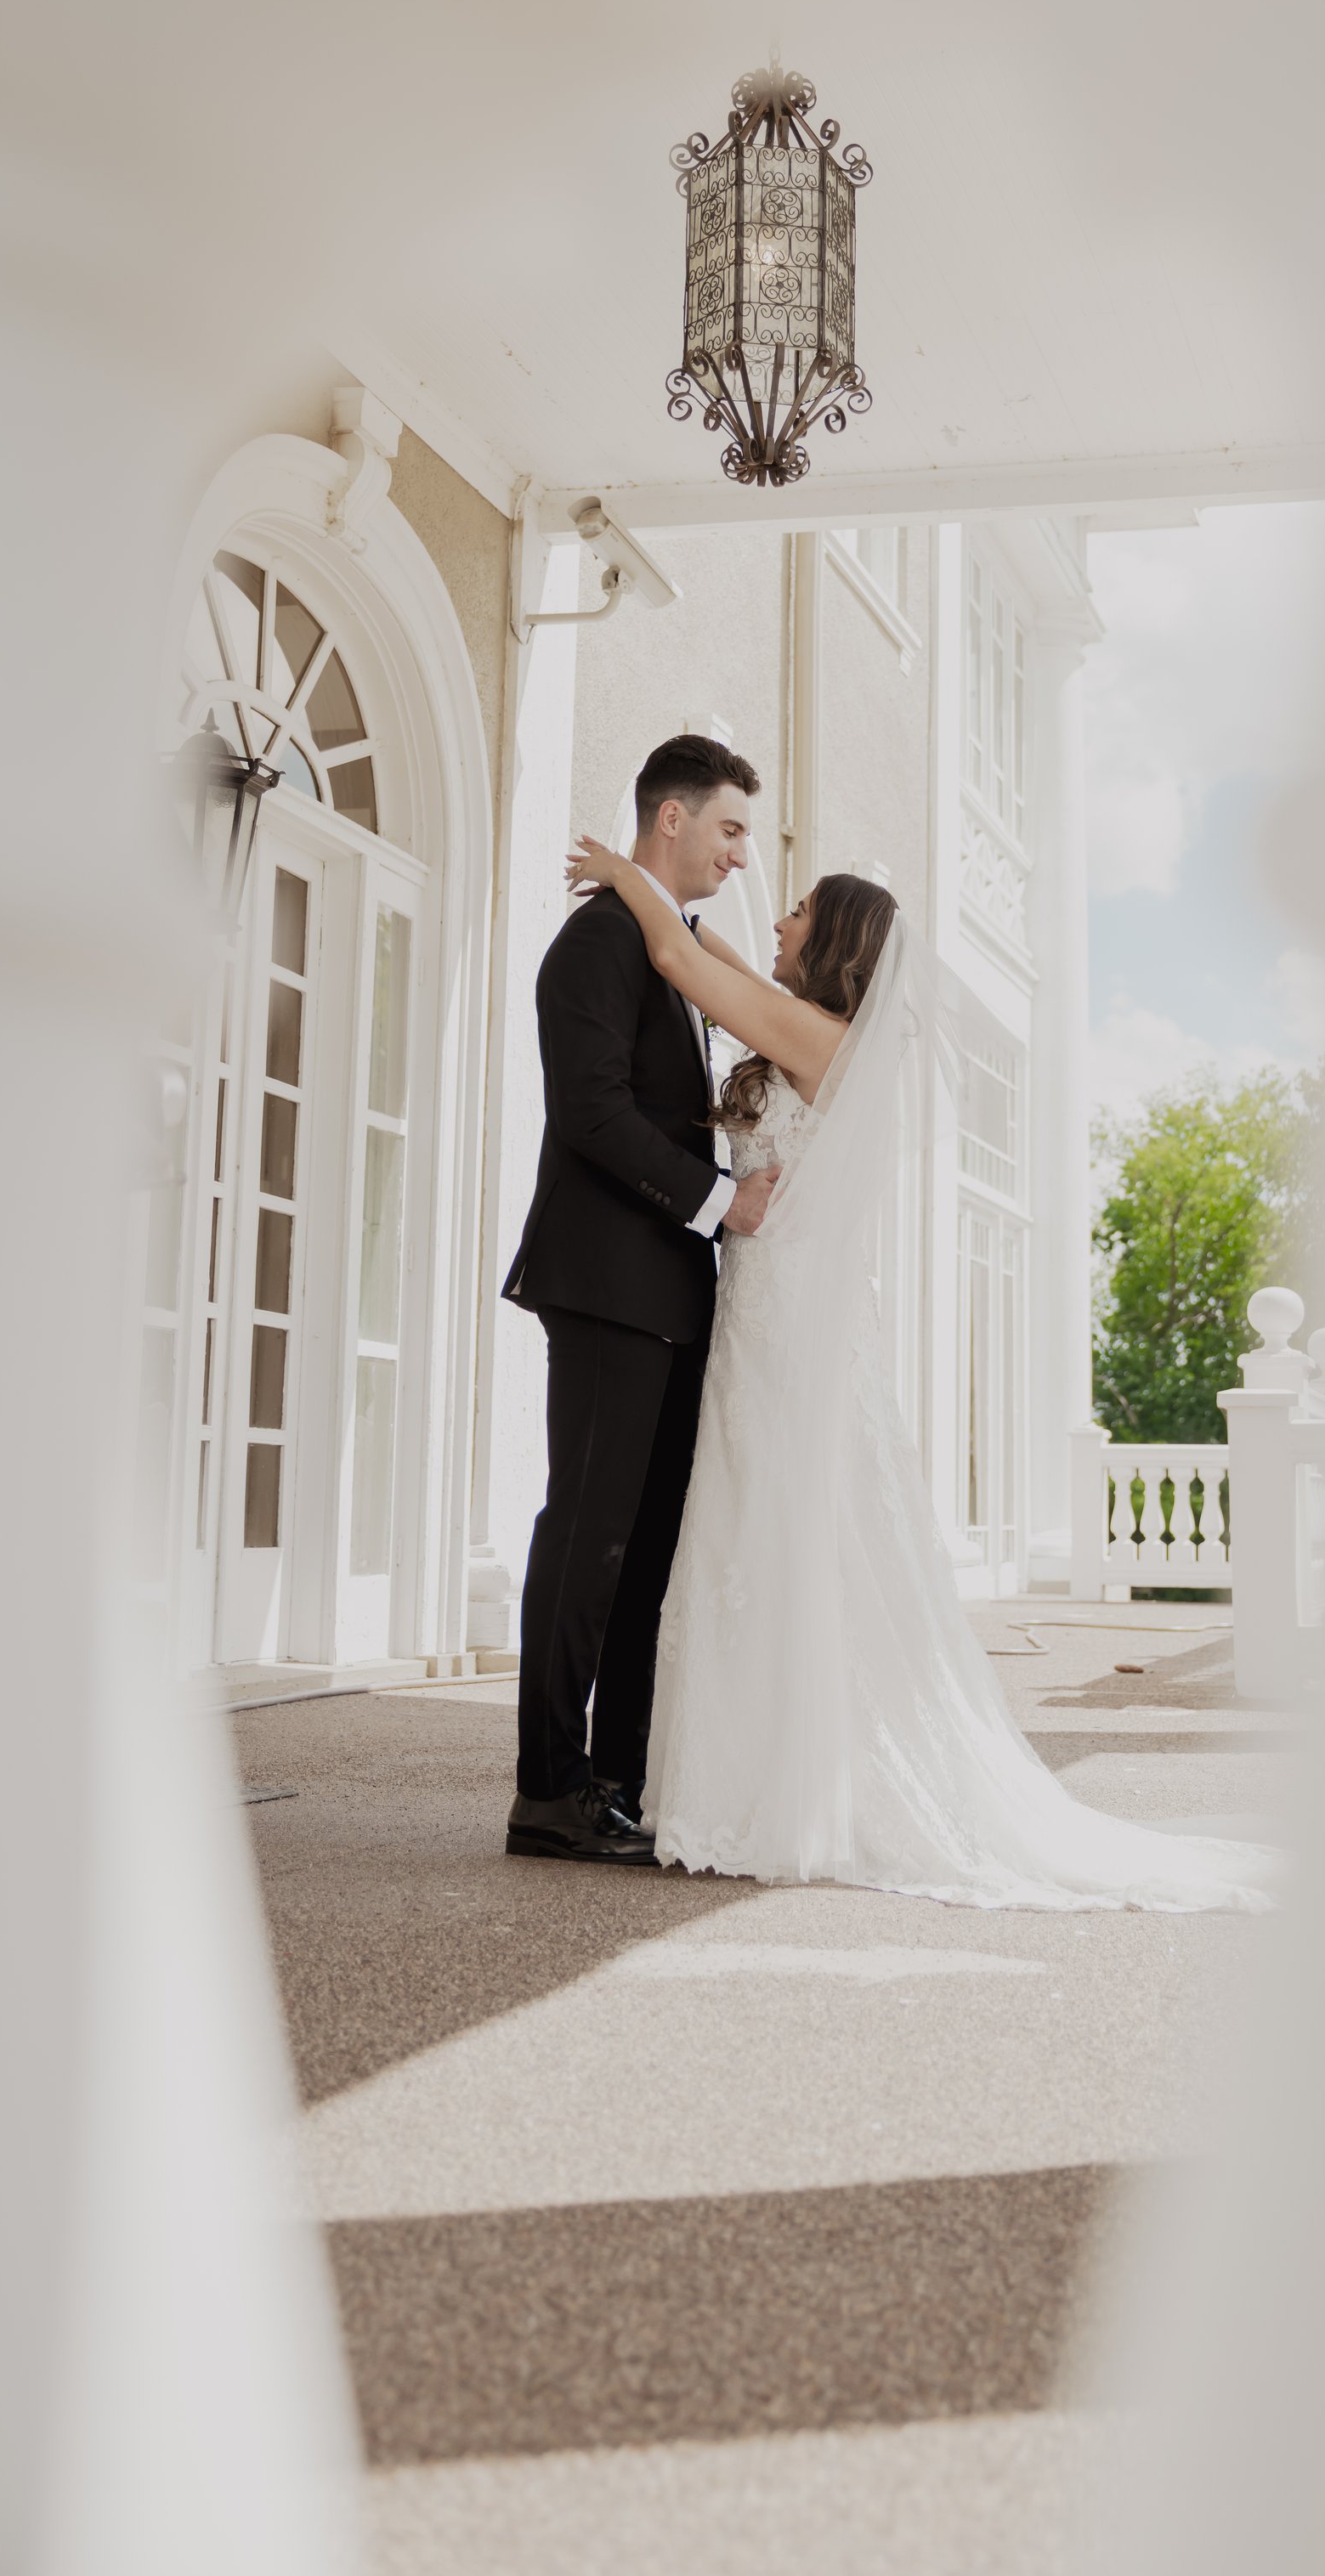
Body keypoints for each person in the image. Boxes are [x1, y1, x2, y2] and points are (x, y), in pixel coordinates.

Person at [562, 833, 1279, 1912]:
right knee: (753, 1526)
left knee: (795, 1529)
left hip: (792, 1321)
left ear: (837, 940)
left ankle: (789, 1787)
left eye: (799, 907)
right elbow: (713, 973)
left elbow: (681, 963)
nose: (783, 915)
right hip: (763, 1310)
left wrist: (629, 874)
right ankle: (744, 1772)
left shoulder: (819, 1036)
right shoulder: (809, 1025)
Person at [501, 736, 781, 1864]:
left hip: (671, 1292)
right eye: (728, 828)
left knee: (647, 1547)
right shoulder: (598, 942)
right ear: (669, 819)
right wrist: (724, 1203)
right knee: (589, 1537)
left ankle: (614, 1779)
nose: (741, 853)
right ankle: (548, 1790)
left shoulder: (661, 939)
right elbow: (592, 1114)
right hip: (610, 1287)